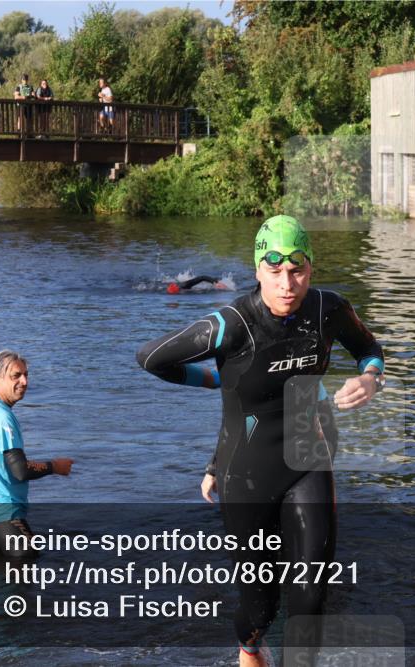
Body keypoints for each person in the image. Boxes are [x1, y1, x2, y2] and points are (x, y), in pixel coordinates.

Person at [137, 216, 385, 666]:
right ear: (257, 269)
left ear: (310, 268)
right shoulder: (231, 324)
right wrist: (216, 380)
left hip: (309, 457)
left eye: (298, 271)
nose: (287, 284)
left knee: (311, 597)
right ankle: (249, 648)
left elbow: (369, 348)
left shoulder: (329, 309)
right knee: (260, 606)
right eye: (275, 272)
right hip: (247, 472)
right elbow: (152, 358)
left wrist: (371, 379)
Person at [0, 350, 74, 559]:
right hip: (4, 514)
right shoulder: (1, 418)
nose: (24, 381)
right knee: (28, 568)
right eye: (16, 376)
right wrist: (55, 467)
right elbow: (20, 470)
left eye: (26, 374)